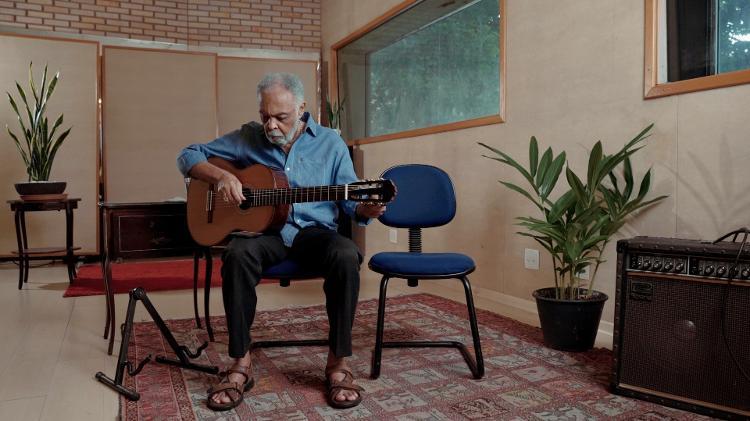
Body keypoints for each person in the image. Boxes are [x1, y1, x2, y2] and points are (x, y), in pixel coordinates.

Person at [177, 73, 384, 411]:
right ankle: (241, 363)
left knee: (346, 253)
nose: (271, 125)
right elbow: (187, 154)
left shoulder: (330, 143)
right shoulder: (248, 137)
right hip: (266, 235)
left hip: (314, 235)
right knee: (237, 253)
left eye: (280, 117)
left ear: (302, 108)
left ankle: (338, 363)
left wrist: (367, 207)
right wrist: (223, 176)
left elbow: (351, 203)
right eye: (265, 116)